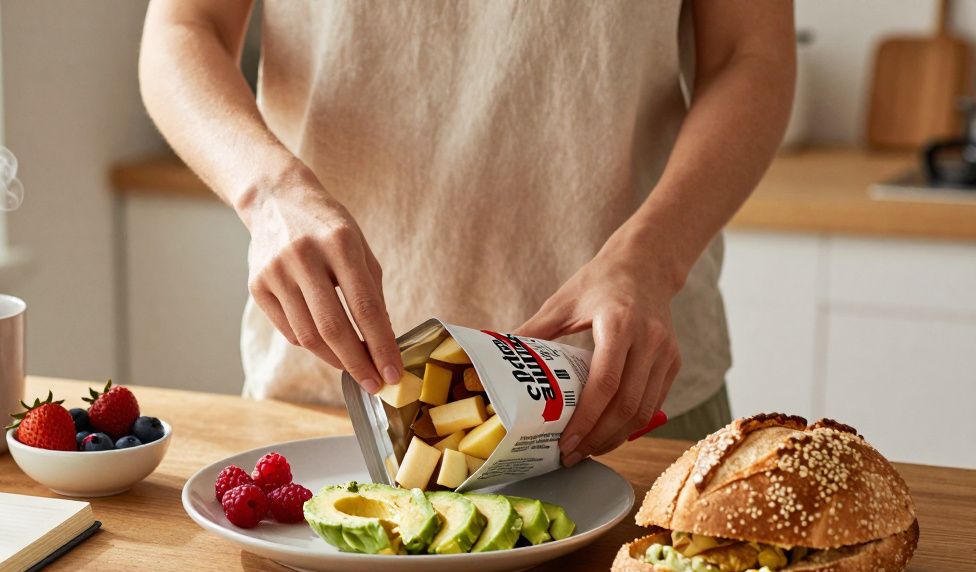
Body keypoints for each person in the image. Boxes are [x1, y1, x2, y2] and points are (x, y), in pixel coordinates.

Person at [139, 1, 795, 465]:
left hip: (620, 385)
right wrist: (269, 191)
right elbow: (183, 25)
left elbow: (751, 52)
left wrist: (654, 259)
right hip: (336, 395)